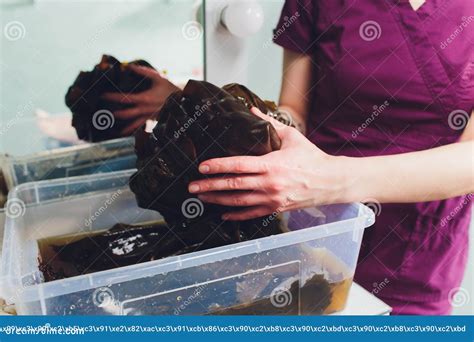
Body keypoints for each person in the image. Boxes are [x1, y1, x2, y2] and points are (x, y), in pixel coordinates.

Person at [103, 0, 473, 315]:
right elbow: (292, 111)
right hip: (305, 237)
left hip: (414, 257)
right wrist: (204, 110)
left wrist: (327, 180)